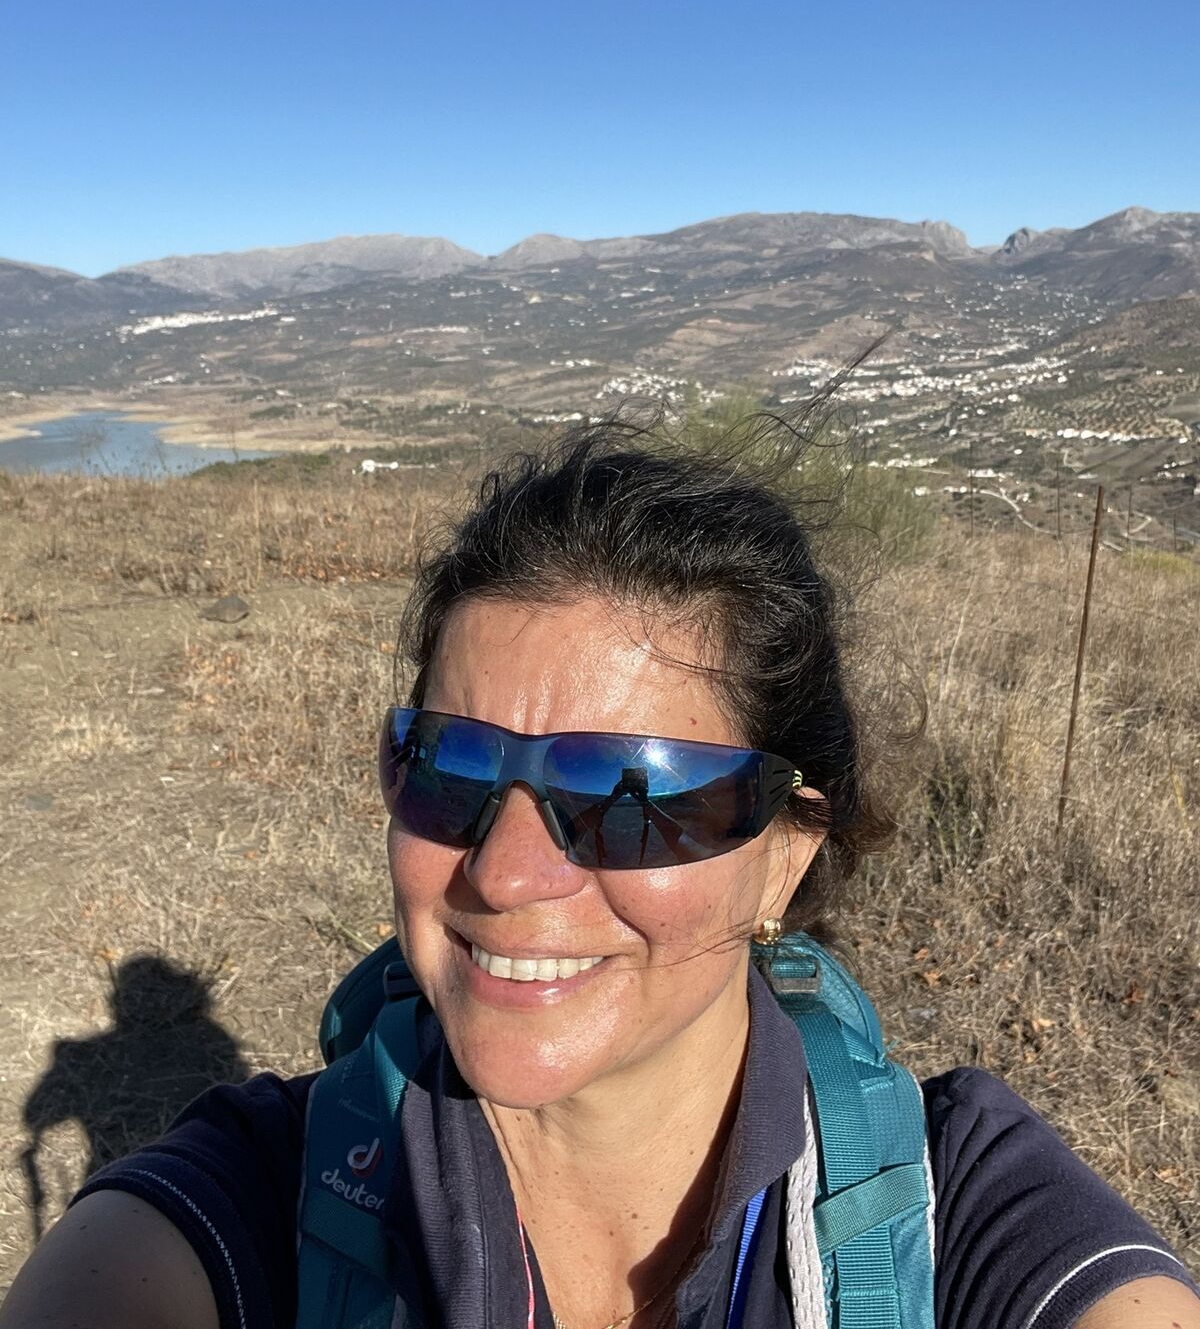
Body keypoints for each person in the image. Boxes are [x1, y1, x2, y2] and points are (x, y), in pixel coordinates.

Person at [3, 412, 1198, 1329]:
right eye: (449, 767)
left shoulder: (960, 1214)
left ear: (784, 855)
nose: (507, 873)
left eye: (631, 796)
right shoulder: (260, 1199)